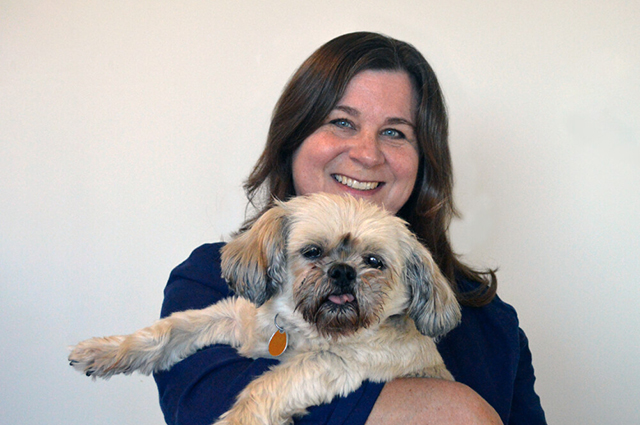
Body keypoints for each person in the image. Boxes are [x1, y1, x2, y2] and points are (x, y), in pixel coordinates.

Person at [153, 32, 547, 425]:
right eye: (342, 122)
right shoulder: (210, 281)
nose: (366, 153)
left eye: (395, 132)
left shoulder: (493, 324)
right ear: (293, 138)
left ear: (423, 162)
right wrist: (455, 410)